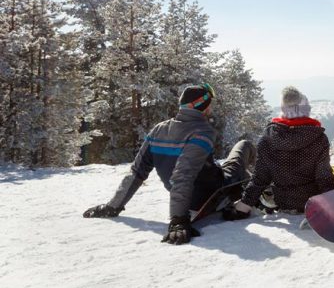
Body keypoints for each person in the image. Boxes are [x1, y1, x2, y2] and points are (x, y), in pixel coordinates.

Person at [83, 83, 257, 245]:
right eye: (209, 104)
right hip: (212, 193)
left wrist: (113, 206)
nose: (210, 108)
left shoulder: (158, 129)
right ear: (201, 105)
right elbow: (183, 175)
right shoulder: (202, 131)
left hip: (187, 197)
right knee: (244, 145)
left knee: (227, 166)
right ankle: (260, 186)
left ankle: (251, 184)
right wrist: (178, 220)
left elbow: (137, 172)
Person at [222, 86, 334, 219]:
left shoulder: (268, 139)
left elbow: (260, 178)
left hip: (283, 202)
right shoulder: (318, 138)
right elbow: (324, 178)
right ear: (306, 111)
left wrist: (243, 206)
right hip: (312, 202)